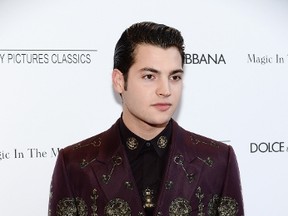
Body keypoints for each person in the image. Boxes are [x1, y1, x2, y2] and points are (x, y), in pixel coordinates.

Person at [48, 21, 244, 216]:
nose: (166, 90)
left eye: (174, 77)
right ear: (119, 81)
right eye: (150, 76)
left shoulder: (218, 160)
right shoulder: (75, 163)